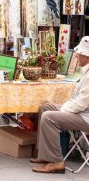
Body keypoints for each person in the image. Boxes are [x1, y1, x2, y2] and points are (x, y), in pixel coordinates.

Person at [30, 36, 89, 174]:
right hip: (81, 111)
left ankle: (56, 162)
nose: (76, 55)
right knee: (45, 108)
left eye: (79, 53)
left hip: (85, 116)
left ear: (86, 56)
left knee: (49, 117)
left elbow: (82, 103)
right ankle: (44, 155)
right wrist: (65, 108)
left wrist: (63, 109)